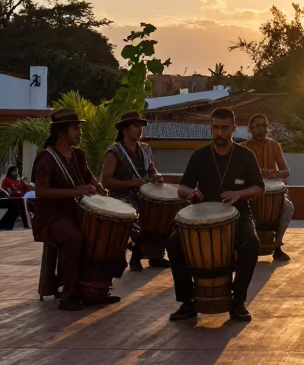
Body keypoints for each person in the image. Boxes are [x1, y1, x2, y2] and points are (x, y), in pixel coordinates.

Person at [166, 106, 264, 323]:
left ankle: (238, 302)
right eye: (215, 128)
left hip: (238, 214)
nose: (219, 133)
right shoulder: (200, 156)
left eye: (224, 128)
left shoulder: (246, 156)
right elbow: (182, 187)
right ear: (210, 128)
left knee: (251, 243)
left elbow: (259, 188)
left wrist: (239, 194)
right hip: (201, 216)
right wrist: (191, 193)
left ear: (234, 128)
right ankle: (187, 302)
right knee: (173, 243)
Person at [31, 108, 108, 311]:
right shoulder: (46, 158)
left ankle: (93, 289)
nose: (80, 132)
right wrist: (75, 190)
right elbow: (41, 191)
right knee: (74, 238)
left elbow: (89, 177)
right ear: (61, 132)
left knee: (97, 236)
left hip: (75, 212)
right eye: (76, 129)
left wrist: (99, 188)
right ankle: (68, 293)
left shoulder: (78, 155)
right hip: (51, 217)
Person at [101, 110, 164, 271]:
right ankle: (133, 253)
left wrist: (156, 175)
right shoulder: (114, 152)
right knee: (139, 215)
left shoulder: (146, 149)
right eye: (136, 126)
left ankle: (153, 255)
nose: (140, 129)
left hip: (142, 195)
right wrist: (130, 184)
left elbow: (151, 169)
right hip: (121, 197)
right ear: (125, 130)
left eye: (141, 126)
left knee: (161, 212)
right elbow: (106, 181)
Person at [244, 112, 294, 262]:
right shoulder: (242, 148)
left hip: (274, 193)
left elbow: (286, 171)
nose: (262, 129)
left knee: (288, 207)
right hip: (249, 193)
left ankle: (277, 246)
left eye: (264, 125)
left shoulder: (274, 145)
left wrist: (274, 174)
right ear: (250, 129)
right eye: (257, 126)